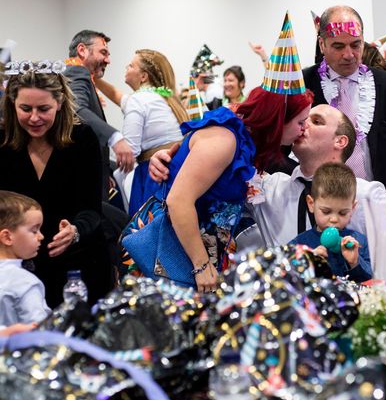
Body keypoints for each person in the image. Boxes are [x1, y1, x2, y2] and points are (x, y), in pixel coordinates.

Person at [149, 104, 386, 276]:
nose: (303, 126)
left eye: (315, 121)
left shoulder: (364, 194)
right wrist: (171, 160)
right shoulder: (269, 187)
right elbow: (210, 169)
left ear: (340, 141)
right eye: (302, 120)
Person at [128, 86, 313, 293]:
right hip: (171, 252)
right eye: (300, 121)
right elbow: (178, 201)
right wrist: (202, 266)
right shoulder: (225, 139)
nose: (304, 128)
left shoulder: (242, 138)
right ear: (278, 119)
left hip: (195, 251)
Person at [0, 61, 113, 307]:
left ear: (60, 103)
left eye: (43, 109)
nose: (34, 118)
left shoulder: (81, 139)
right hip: (18, 270)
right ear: (12, 104)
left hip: (79, 268)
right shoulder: (2, 143)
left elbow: (92, 208)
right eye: (25, 108)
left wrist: (75, 231)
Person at [302, 5, 386, 189]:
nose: (349, 54)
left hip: (378, 200)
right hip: (321, 204)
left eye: (355, 44)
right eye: (338, 46)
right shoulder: (301, 83)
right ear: (322, 44)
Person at [95, 49, 188, 216]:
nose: (126, 67)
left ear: (143, 76)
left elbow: (129, 152)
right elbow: (117, 95)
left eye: (131, 65)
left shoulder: (138, 100)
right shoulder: (162, 98)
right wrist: (94, 79)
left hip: (154, 175)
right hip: (178, 170)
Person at [64, 30, 134, 198]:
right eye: (103, 52)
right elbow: (75, 108)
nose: (108, 60)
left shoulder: (81, 75)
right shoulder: (76, 71)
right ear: (82, 50)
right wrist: (115, 138)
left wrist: (105, 171)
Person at [289, 162, 371, 283]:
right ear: (311, 204)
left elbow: (372, 281)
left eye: (343, 213)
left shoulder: (358, 242)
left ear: (352, 208)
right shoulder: (299, 244)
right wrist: (308, 263)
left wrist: (355, 262)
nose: (334, 219)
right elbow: (286, 277)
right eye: (326, 212)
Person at [0, 190, 50, 326]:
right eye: (34, 231)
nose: (41, 236)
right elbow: (41, 333)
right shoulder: (24, 283)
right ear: (7, 237)